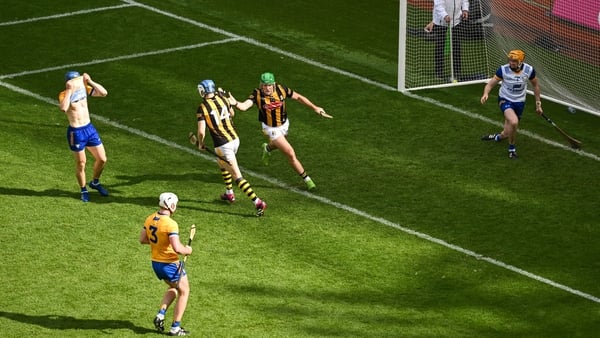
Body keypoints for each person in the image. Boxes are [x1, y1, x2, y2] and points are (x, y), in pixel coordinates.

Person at [228, 72, 332, 190]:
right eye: (264, 85)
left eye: (269, 85)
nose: (266, 88)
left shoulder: (281, 89)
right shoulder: (257, 94)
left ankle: (267, 148)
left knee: (281, 144)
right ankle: (307, 180)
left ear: (273, 84)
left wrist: (315, 108)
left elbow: (298, 97)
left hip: (284, 124)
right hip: (271, 129)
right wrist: (235, 103)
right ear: (261, 85)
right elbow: (244, 106)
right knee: (290, 153)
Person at [194, 79, 267, 217]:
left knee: (237, 176)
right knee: (221, 164)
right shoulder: (223, 98)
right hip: (234, 139)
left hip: (222, 144)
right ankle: (229, 193)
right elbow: (232, 114)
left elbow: (202, 131)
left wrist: (201, 142)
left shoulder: (202, 107)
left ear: (202, 91)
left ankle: (258, 202)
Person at [140, 192, 193, 336]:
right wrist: (187, 250)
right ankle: (175, 327)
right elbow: (177, 248)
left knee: (174, 288)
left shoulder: (150, 218)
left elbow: (143, 239)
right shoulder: (171, 224)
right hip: (169, 263)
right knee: (185, 291)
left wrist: (160, 244)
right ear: (172, 205)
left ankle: (161, 314)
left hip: (156, 263)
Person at [480, 50, 543, 159]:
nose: (511, 63)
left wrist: (538, 104)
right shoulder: (503, 70)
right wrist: (485, 94)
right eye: (510, 60)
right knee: (514, 122)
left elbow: (536, 86)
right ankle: (512, 149)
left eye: (514, 61)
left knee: (507, 133)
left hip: (519, 102)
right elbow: (490, 84)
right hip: (505, 99)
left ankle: (498, 137)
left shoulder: (529, 70)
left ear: (520, 61)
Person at [58, 71, 109, 202]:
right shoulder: (64, 94)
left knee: (102, 159)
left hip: (89, 129)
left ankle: (95, 182)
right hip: (76, 132)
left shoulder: (84, 89)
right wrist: (69, 90)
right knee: (81, 163)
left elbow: (103, 93)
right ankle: (83, 189)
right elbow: (63, 108)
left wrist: (90, 81)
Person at [431, 0, 469, 81]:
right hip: (441, 21)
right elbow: (438, 5)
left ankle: (457, 73)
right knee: (440, 46)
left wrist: (465, 10)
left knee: (456, 46)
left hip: (456, 20)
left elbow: (464, 1)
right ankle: (439, 72)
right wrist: (444, 15)